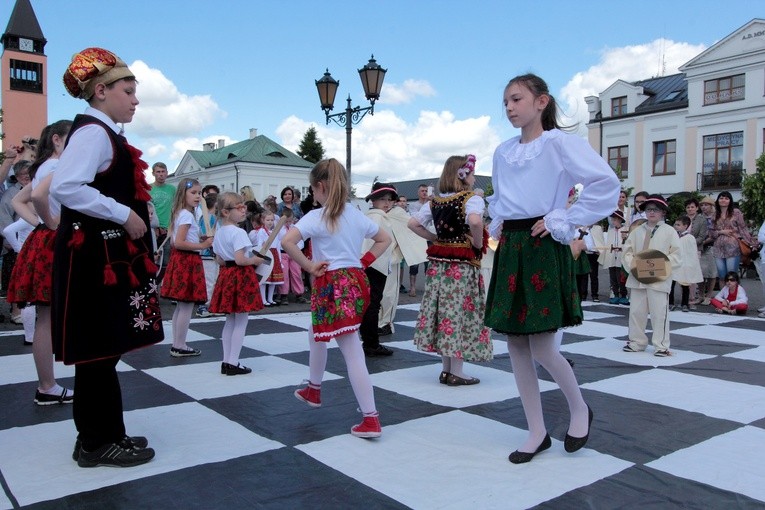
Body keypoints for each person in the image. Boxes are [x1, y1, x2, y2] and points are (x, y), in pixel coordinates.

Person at [485, 74, 619, 464]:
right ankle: (536, 431)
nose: (509, 107)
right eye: (505, 101)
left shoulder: (560, 143)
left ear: (541, 102)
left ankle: (578, 409)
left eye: (516, 99)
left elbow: (604, 183)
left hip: (543, 244)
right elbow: (503, 199)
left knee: (543, 345)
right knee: (514, 344)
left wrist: (566, 216)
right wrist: (491, 223)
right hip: (512, 246)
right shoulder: (502, 151)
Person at [52, 47, 162, 467]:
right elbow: (66, 186)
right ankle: (95, 442)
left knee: (105, 347)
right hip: (94, 260)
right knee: (97, 348)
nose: (135, 100)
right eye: (128, 90)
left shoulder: (102, 133)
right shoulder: (94, 133)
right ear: (101, 91)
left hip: (103, 257)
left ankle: (106, 432)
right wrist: (123, 214)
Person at [282, 158, 391, 439]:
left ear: (319, 187)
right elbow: (385, 239)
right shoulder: (355, 215)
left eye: (311, 189)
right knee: (317, 331)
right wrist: (362, 261)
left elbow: (287, 242)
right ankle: (313, 388)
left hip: (331, 283)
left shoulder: (316, 217)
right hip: (355, 280)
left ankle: (370, 418)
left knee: (351, 347)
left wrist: (307, 266)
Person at [409, 154, 493, 385]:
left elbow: (412, 223)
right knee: (459, 311)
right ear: (462, 174)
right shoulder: (470, 199)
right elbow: (475, 222)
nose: (474, 178)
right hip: (461, 267)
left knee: (444, 312)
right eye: (472, 173)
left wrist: (435, 238)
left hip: (439, 264)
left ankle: (446, 369)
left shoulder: (434, 202)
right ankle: (456, 370)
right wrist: (477, 243)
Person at [7, 120, 74, 405]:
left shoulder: (45, 167)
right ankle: (47, 385)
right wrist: (51, 223)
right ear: (57, 140)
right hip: (57, 242)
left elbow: (19, 202)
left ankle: (47, 384)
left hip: (44, 240)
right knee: (47, 318)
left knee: (45, 317)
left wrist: (40, 223)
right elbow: (34, 196)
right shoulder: (58, 167)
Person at [209, 192, 266, 375]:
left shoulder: (218, 233)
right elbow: (241, 260)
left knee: (230, 320)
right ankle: (233, 362)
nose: (244, 210)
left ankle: (226, 361)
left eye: (244, 206)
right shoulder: (239, 232)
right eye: (239, 207)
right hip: (240, 277)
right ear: (225, 212)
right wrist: (255, 261)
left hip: (226, 275)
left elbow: (219, 260)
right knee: (241, 321)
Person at [621, 195, 681, 356]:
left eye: (655, 209)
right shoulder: (637, 231)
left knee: (659, 312)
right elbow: (627, 252)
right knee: (636, 312)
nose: (651, 213)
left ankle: (661, 345)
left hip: (658, 278)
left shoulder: (669, 231)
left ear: (662, 212)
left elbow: (677, 255)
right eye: (648, 209)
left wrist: (660, 267)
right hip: (638, 277)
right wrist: (634, 267)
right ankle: (637, 341)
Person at [161, 178, 212, 357]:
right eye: (193, 193)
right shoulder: (187, 215)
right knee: (186, 305)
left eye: (199, 192)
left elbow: (181, 240)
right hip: (187, 261)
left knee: (182, 306)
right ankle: (180, 345)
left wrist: (199, 239)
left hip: (182, 260)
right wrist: (203, 246)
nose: (198, 196)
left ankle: (177, 343)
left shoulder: (182, 213)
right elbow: (179, 242)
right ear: (184, 194)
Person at [359, 182, 398, 357]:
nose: (387, 203)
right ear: (373, 200)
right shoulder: (377, 217)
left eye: (389, 200)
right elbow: (371, 243)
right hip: (374, 265)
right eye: (382, 199)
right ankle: (371, 343)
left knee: (371, 304)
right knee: (373, 304)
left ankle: (369, 340)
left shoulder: (374, 216)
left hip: (373, 264)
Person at [0, 160, 32, 324]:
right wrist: (10, 242)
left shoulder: (36, 188)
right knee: (17, 279)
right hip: (16, 242)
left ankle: (30, 312)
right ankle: (16, 311)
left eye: (29, 173)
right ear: (17, 176)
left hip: (34, 240)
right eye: (23, 174)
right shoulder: (10, 194)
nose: (26, 177)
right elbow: (4, 219)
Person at [709, 191, 755, 280]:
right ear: (718, 200)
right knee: (722, 276)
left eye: (726, 198)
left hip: (733, 248)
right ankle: (725, 294)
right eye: (721, 198)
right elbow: (711, 233)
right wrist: (721, 231)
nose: (723, 200)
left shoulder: (736, 212)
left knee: (732, 276)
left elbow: (743, 228)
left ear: (730, 201)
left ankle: (734, 294)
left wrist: (751, 243)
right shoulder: (714, 215)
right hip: (718, 249)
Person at [249, 210, 285, 306]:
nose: (270, 222)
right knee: (265, 278)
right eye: (268, 220)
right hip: (266, 254)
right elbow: (260, 243)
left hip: (274, 255)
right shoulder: (261, 231)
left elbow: (277, 246)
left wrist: (280, 260)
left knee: (273, 280)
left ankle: (270, 298)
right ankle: (263, 299)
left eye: (272, 220)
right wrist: (261, 254)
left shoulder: (274, 232)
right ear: (263, 220)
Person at [669, 215, 703, 312]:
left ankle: (685, 303)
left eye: (678, 225)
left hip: (685, 264)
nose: (676, 226)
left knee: (685, 285)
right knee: (671, 283)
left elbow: (691, 253)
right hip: (674, 263)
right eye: (675, 224)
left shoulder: (690, 238)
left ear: (685, 226)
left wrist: (690, 265)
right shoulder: (674, 236)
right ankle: (670, 302)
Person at [149, 162, 175, 281]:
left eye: (163, 171)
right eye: (158, 172)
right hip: (153, 229)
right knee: (152, 257)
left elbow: (176, 207)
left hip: (168, 229)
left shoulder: (172, 189)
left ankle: (162, 285)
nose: (161, 174)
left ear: (167, 173)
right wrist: (153, 227)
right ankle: (152, 283)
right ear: (153, 173)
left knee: (166, 260)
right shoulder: (148, 189)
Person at [277, 208, 307, 305]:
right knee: (284, 274)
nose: (288, 223)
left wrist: (297, 249)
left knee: (296, 273)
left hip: (294, 253)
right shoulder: (279, 229)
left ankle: (299, 294)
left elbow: (300, 241)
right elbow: (277, 242)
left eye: (290, 221)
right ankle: (283, 294)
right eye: (286, 221)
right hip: (283, 253)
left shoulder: (295, 228)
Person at [196, 193, 219, 317]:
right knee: (209, 281)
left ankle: (211, 305)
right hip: (208, 253)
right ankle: (203, 306)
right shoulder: (208, 217)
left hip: (211, 253)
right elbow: (205, 235)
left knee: (213, 280)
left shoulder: (212, 217)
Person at [406, 183, 431, 296]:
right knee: (415, 263)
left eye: (426, 191)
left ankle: (428, 287)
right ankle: (412, 287)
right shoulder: (413, 205)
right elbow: (417, 218)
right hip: (417, 236)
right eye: (422, 191)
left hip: (429, 234)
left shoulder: (432, 204)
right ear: (418, 192)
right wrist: (427, 205)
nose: (424, 193)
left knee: (429, 263)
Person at [684, 198, 708, 307]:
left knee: (693, 274)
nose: (690, 209)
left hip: (695, 249)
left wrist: (691, 243)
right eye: (688, 207)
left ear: (697, 208)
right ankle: (685, 296)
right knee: (683, 273)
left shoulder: (701, 219)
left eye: (692, 207)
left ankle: (693, 297)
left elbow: (702, 236)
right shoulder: (683, 218)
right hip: (683, 249)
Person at [602, 211, 628, 305]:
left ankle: (624, 295)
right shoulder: (611, 231)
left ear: (620, 220)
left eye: (615, 220)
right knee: (613, 278)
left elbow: (627, 243)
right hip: (612, 257)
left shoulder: (626, 230)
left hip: (621, 258)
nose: (613, 222)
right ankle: (615, 295)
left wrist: (624, 241)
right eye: (613, 220)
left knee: (621, 278)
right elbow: (608, 242)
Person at [698, 196, 718, 305]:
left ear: (711, 206)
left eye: (706, 205)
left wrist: (706, 240)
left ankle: (709, 295)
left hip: (712, 246)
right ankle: (700, 294)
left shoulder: (715, 217)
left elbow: (716, 232)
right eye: (702, 205)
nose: (704, 207)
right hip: (701, 247)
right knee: (700, 272)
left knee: (711, 272)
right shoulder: (699, 217)